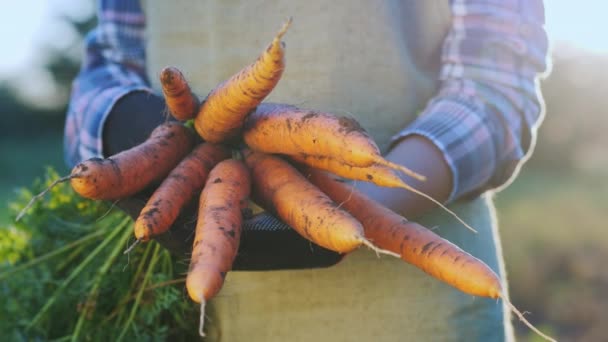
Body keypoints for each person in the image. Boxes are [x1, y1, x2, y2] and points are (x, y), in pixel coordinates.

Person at [64, 1, 549, 341]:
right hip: (183, 311)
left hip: (415, 314)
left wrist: (369, 203)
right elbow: (108, 62)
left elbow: (495, 82)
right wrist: (130, 140)